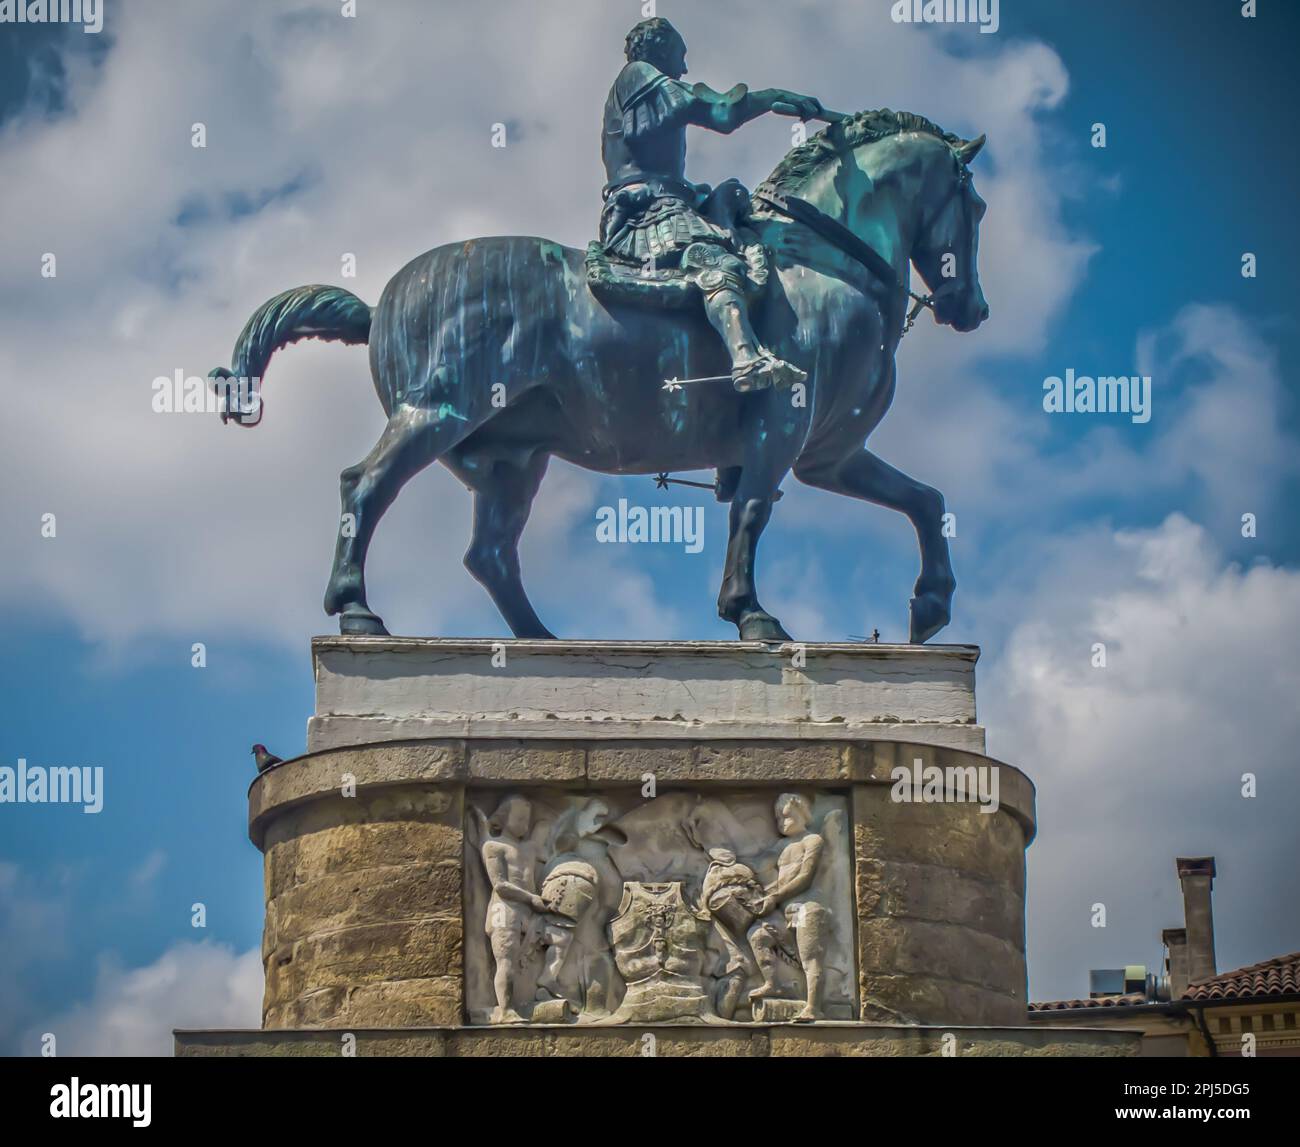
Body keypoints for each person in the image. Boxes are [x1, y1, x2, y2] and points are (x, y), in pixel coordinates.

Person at [599, 18, 824, 392]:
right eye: (680, 55)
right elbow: (720, 114)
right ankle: (745, 359)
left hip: (669, 199)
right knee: (712, 260)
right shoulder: (638, 75)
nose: (685, 68)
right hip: (646, 210)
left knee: (735, 198)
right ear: (659, 49)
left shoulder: (646, 85)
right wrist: (770, 98)